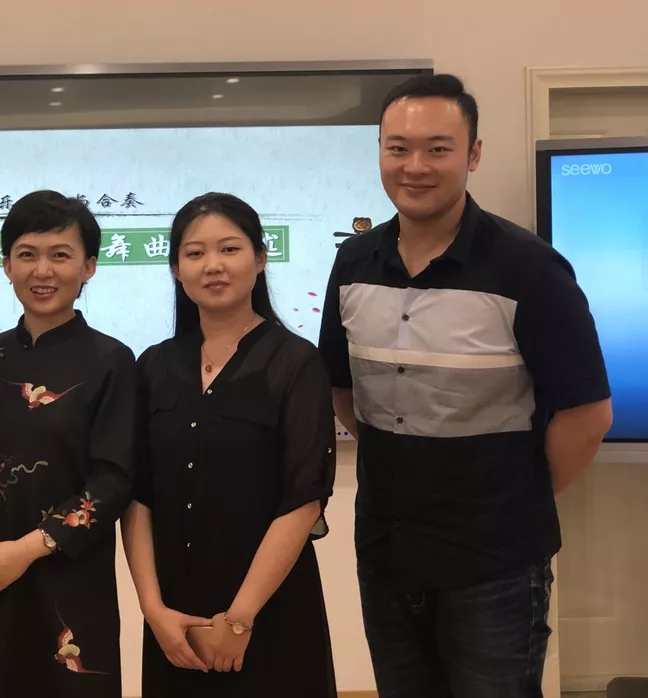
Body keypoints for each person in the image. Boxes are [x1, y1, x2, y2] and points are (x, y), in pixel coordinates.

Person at [318, 73, 613, 698]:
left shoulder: (529, 267)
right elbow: (343, 390)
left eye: (438, 148)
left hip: (494, 564)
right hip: (387, 552)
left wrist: (510, 496)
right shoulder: (353, 262)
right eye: (398, 148)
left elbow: (586, 414)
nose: (415, 166)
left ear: (473, 154)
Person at [121, 192, 338, 698]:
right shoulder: (153, 366)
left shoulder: (295, 362)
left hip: (269, 609)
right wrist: (153, 610)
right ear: (176, 268)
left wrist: (239, 619)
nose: (212, 265)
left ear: (259, 259)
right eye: (195, 253)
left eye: (230, 249)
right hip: (175, 617)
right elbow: (138, 496)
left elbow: (304, 498)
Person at [0, 190, 137, 698]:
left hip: (72, 580)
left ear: (89, 267)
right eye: (27, 254)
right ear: (7, 265)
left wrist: (27, 550)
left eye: (61, 255)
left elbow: (114, 480)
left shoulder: (113, 361)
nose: (42, 270)